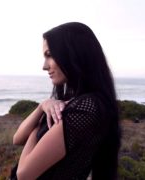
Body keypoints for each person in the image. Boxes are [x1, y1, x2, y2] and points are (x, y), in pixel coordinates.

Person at [12, 22, 121, 180]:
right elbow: (17, 139)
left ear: (73, 54)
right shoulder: (74, 102)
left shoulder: (85, 108)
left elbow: (24, 175)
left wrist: (38, 127)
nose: (44, 66)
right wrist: (42, 107)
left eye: (50, 55)